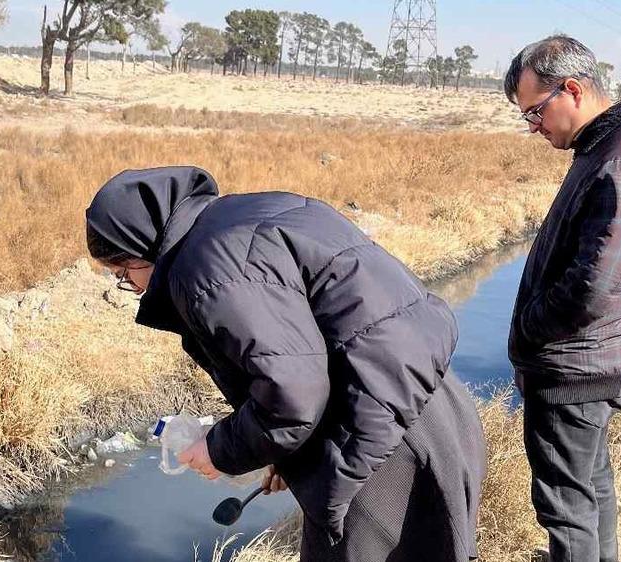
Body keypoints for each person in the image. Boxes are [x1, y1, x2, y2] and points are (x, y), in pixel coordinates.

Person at [85, 166, 486, 561]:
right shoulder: (245, 217)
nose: (131, 287)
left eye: (123, 273)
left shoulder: (206, 269)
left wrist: (218, 449)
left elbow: (293, 394)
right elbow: (313, 351)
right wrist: (291, 455)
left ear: (143, 246)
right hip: (433, 409)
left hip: (381, 448)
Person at [504, 35, 621, 562]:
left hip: (572, 371)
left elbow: (592, 287)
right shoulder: (619, 142)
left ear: (572, 90)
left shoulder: (618, 159)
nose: (534, 127)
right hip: (592, 363)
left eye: (535, 111)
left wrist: (530, 327)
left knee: (566, 509)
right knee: (591, 488)